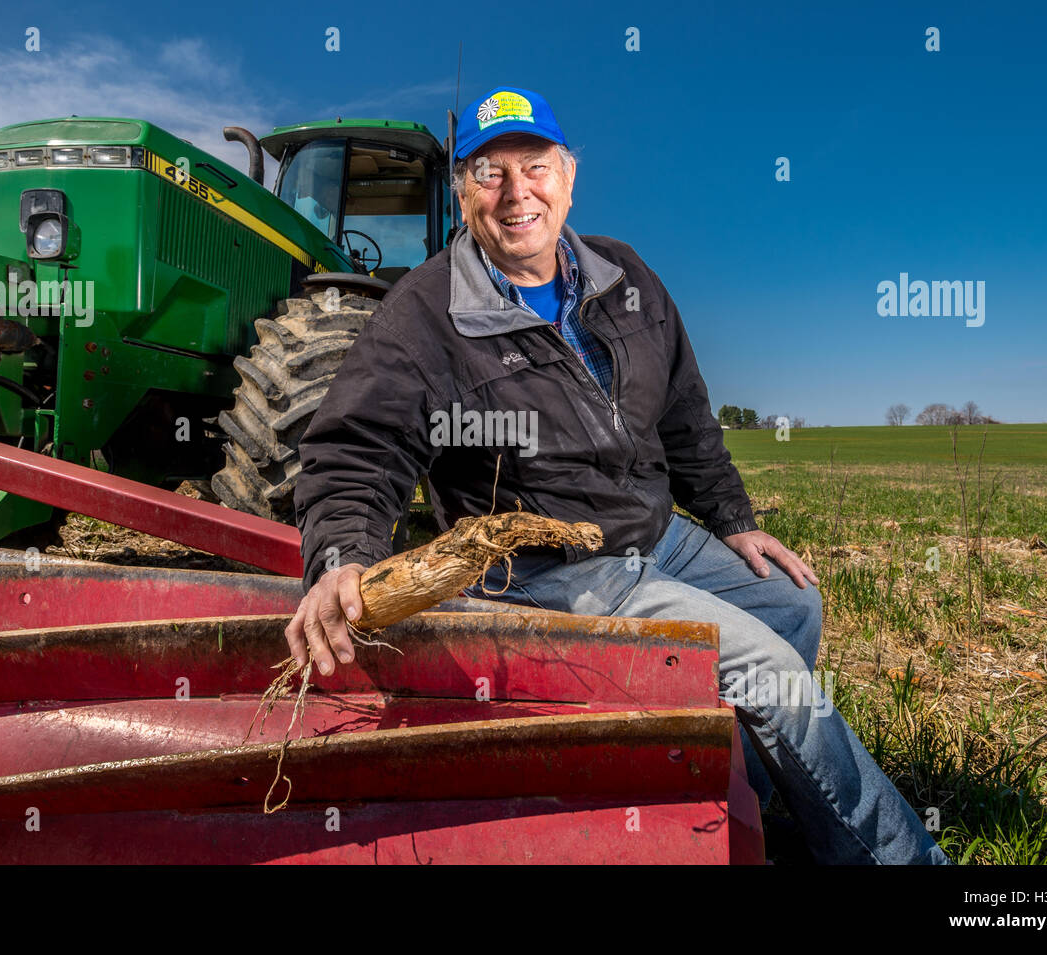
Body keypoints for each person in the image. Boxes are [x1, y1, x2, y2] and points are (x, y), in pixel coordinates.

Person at [287, 85, 950, 865]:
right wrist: (340, 558)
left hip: (654, 532)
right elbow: (358, 446)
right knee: (775, 676)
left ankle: (749, 797)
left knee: (794, 605)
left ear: (569, 176)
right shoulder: (427, 312)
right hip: (552, 567)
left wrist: (732, 517)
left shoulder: (623, 276)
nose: (515, 192)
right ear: (464, 192)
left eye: (534, 165)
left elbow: (685, 413)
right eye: (489, 173)